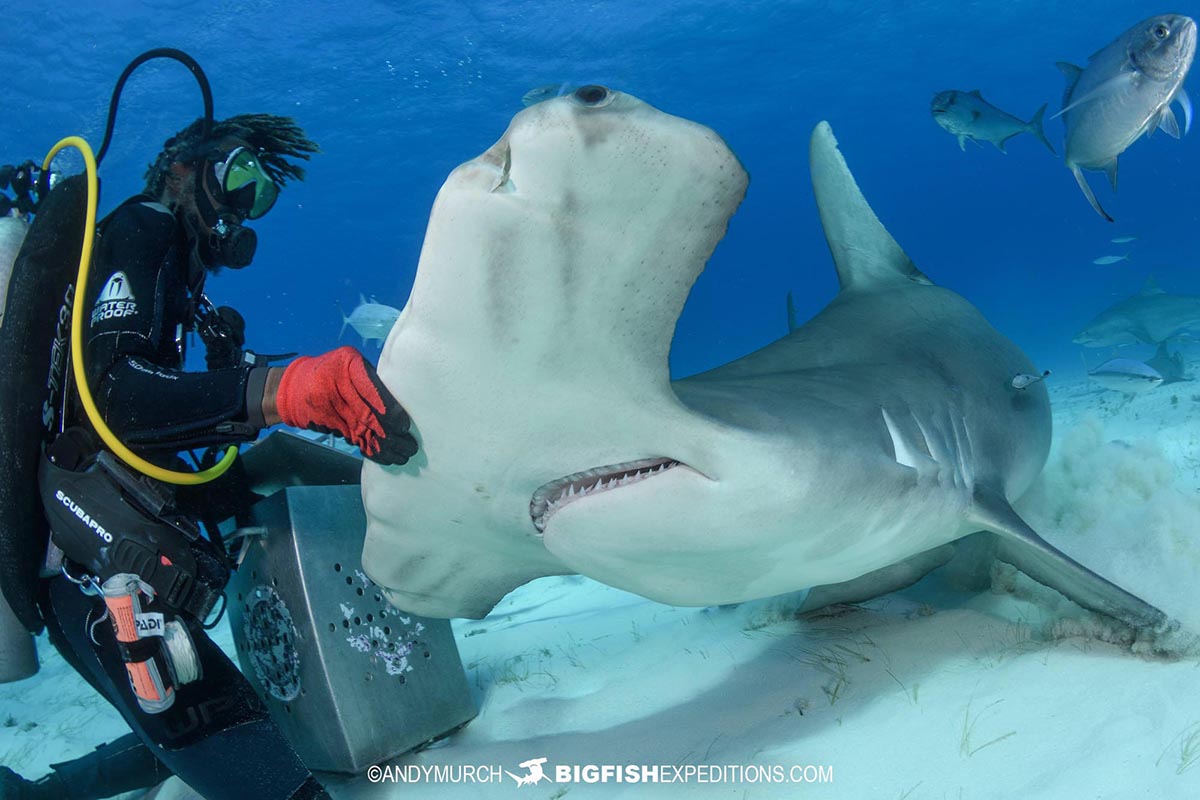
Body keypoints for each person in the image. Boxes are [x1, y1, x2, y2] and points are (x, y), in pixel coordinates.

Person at [0, 113, 417, 800]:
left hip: (109, 565)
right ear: (181, 169)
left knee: (198, 734)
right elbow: (117, 399)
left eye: (262, 195)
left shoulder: (173, 276)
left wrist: (247, 416)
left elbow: (148, 444)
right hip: (92, 574)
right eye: (239, 178)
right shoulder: (144, 229)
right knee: (254, 761)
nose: (244, 206)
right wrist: (283, 391)